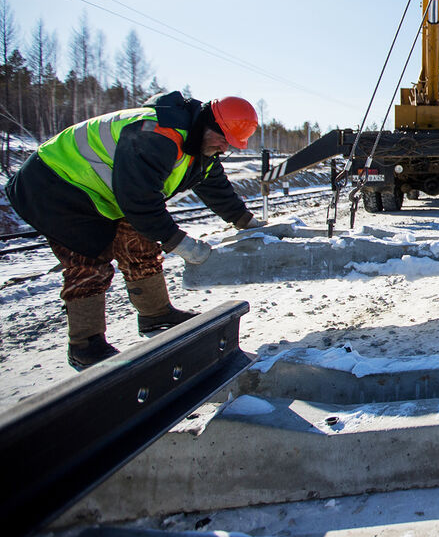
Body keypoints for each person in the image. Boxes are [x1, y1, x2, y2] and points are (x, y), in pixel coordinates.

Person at [4, 91, 264, 371]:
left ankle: (156, 314)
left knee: (142, 243)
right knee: (90, 262)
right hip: (55, 184)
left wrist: (245, 221)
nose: (226, 149)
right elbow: (140, 200)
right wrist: (178, 242)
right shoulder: (157, 135)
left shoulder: (201, 147)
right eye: (224, 140)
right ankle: (85, 346)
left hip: (105, 193)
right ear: (207, 125)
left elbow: (215, 187)